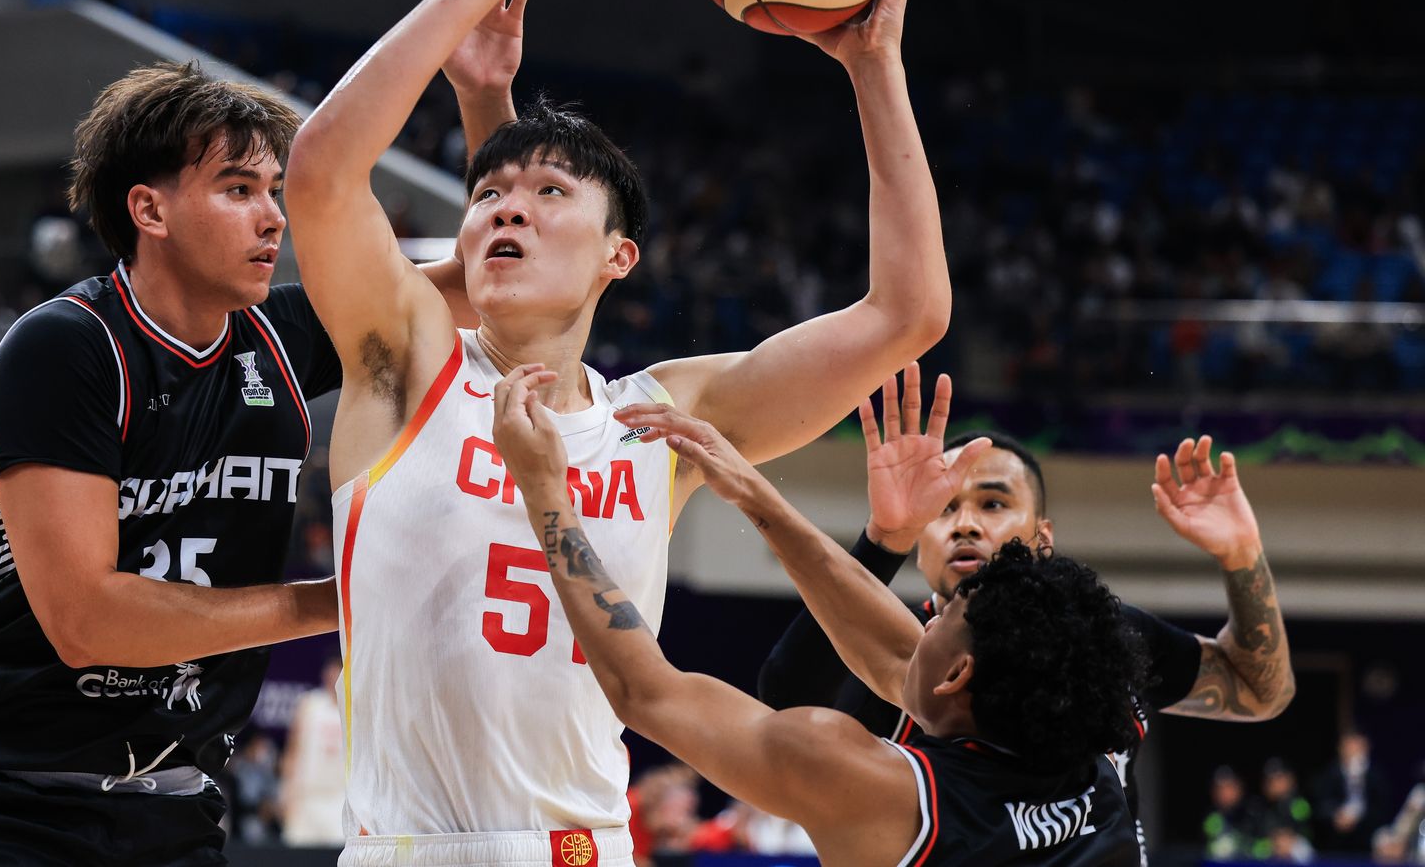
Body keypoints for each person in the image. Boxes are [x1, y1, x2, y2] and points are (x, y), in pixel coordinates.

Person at [285, 0, 950, 861]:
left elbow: (907, 316)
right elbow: (319, 174)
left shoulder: (663, 418)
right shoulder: (406, 364)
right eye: (489, 194)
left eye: (549, 192)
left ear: (618, 256)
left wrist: (874, 66)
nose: (506, 206)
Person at [0, 52, 484, 865]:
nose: (273, 217)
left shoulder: (287, 337)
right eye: (239, 190)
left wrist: (484, 92)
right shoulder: (69, 347)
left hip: (176, 808)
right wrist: (338, 598)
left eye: (274, 191)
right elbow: (87, 622)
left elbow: (497, 280)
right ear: (149, 210)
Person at [489, 368, 1146, 864]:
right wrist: (750, 490)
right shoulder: (1099, 758)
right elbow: (889, 652)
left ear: (956, 674)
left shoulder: (884, 793)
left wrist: (546, 492)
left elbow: (647, 689)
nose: (918, 621)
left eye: (939, 620)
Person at [758, 364, 1295, 854]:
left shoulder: (1102, 636)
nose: (964, 524)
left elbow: (1257, 688)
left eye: (993, 503)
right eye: (941, 509)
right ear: (920, 542)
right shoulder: (905, 648)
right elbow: (787, 703)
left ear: (1042, 537)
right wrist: (883, 539)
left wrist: (1242, 556)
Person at [278, 653, 346, 846]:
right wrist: (286, 792)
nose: (333, 676)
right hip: (307, 797)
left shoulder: (354, 706)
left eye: (338, 671)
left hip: (340, 799)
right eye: (330, 671)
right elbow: (292, 750)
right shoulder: (310, 704)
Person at [1315, 731, 1393, 852]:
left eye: (1358, 747)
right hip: (1335, 834)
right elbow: (1321, 805)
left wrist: (1358, 818)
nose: (1354, 752)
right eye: (1349, 747)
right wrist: (1336, 815)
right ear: (1340, 749)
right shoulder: (1329, 774)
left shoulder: (1376, 776)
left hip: (1368, 833)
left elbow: (1382, 808)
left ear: (1366, 748)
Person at [1203, 766, 1264, 860]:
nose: (1225, 793)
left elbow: (1266, 847)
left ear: (1240, 788)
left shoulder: (1255, 812)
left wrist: (1242, 847)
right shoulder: (1211, 818)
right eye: (1220, 789)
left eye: (1229, 787)